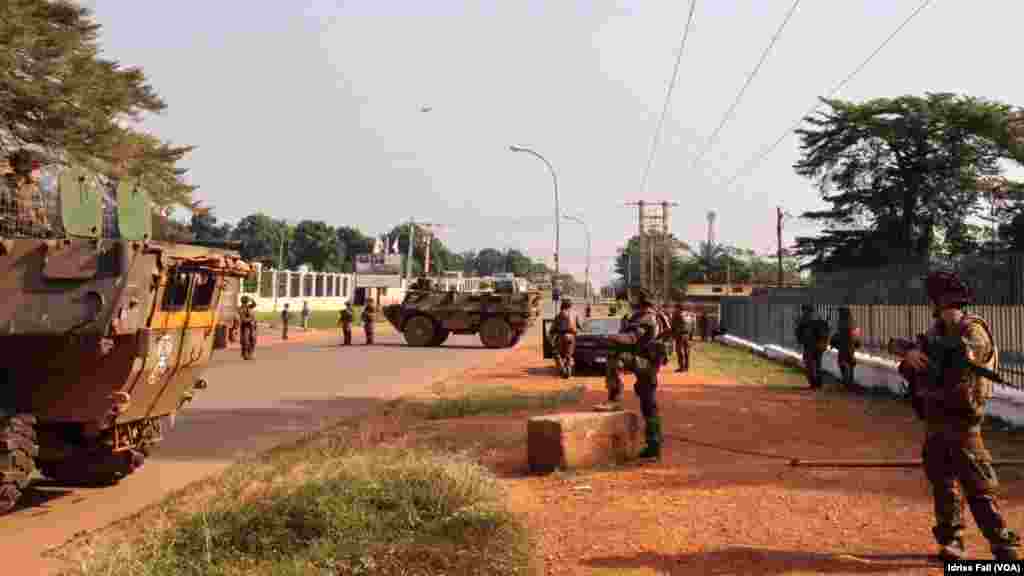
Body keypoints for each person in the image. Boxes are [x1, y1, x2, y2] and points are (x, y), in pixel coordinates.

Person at [894, 271, 1020, 562]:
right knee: (943, 485)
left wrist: (925, 352)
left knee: (979, 487)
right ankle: (952, 541)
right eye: (942, 304)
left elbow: (964, 359)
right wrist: (911, 354)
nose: (944, 310)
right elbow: (916, 362)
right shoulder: (937, 331)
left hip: (963, 424)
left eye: (948, 304)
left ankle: (1003, 546)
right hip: (936, 420)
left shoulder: (973, 330)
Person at [596, 288, 666, 460]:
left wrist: (610, 337)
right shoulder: (637, 315)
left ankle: (614, 398)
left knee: (614, 357)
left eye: (632, 297)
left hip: (646, 362)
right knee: (648, 403)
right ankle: (653, 446)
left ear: (640, 299)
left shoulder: (647, 317)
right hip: (643, 361)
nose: (629, 299)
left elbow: (633, 338)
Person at [2, 150, 49, 234]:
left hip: (28, 231)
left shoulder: (33, 188)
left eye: (25, 171)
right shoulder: (4, 186)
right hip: (7, 230)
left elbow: (40, 210)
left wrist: (47, 227)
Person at [794, 304, 829, 389]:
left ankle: (814, 383)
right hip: (817, 345)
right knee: (817, 365)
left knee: (810, 364)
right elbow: (825, 332)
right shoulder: (818, 318)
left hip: (811, 345)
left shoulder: (805, 319)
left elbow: (799, 332)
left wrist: (801, 340)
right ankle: (817, 383)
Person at [548, 299, 583, 377]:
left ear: (563, 305)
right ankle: (568, 370)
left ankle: (561, 368)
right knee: (569, 355)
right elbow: (580, 326)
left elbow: (552, 328)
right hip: (571, 337)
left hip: (561, 336)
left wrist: (551, 339)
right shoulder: (575, 314)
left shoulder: (559, 315)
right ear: (570, 305)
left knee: (556, 353)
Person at [831, 306, 862, 388]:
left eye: (840, 312)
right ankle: (849, 381)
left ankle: (847, 382)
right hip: (850, 346)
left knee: (843, 362)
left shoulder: (843, 322)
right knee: (850, 362)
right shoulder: (851, 321)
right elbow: (856, 333)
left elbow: (840, 334)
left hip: (844, 346)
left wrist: (833, 341)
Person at [671, 302, 692, 373]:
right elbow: (692, 324)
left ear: (678, 308)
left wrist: (672, 334)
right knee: (687, 351)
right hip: (687, 334)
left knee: (679, 351)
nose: (674, 309)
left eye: (675, 308)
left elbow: (673, 325)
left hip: (680, 335)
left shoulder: (677, 315)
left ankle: (681, 367)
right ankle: (687, 367)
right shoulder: (688, 315)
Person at [238, 296, 257, 360]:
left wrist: (252, 299)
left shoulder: (249, 307)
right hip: (246, 327)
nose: (246, 303)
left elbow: (254, 304)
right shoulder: (241, 309)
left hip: (252, 326)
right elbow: (243, 319)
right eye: (245, 301)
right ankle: (245, 354)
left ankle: (250, 354)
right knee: (246, 341)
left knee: (253, 340)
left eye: (246, 301)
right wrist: (251, 319)